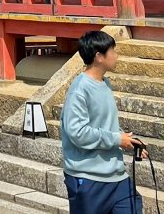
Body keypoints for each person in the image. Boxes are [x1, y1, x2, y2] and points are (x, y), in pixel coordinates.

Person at [60, 31, 141, 214]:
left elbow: (106, 124)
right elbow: (77, 133)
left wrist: (129, 140)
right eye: (113, 51)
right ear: (99, 56)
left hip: (117, 176)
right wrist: (116, 139)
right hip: (88, 177)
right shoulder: (79, 90)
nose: (116, 56)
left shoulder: (104, 83)